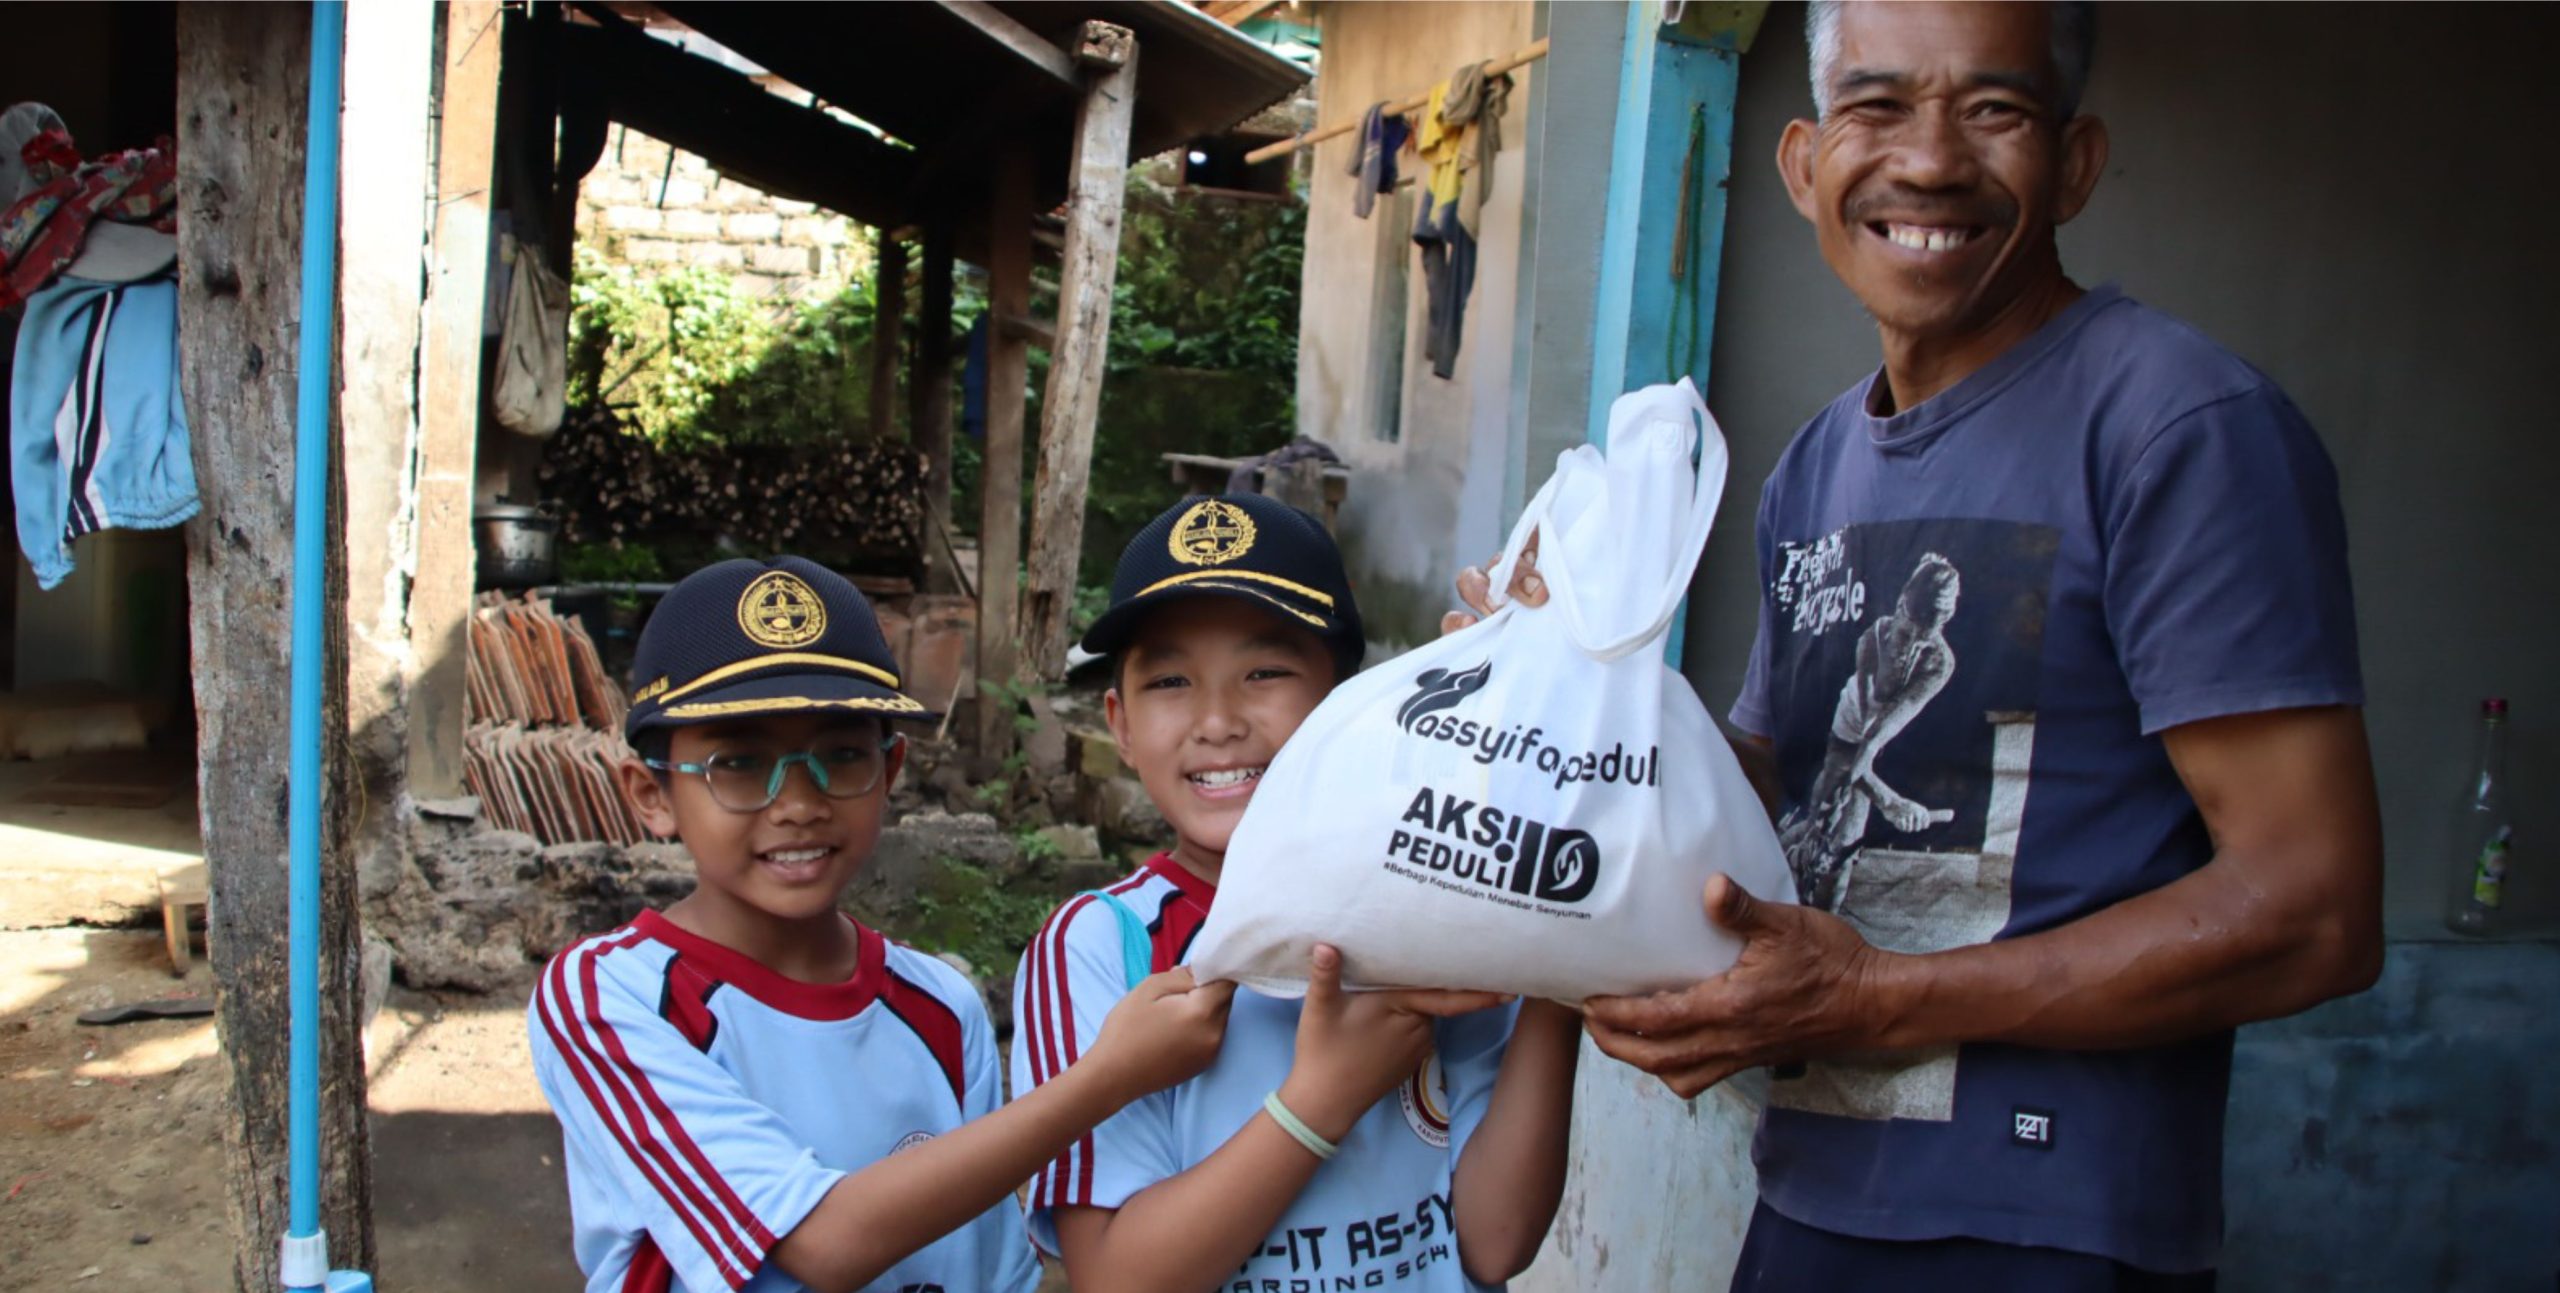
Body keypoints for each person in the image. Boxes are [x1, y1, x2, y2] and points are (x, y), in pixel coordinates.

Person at [1456, 2, 2382, 1287]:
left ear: (2076, 162)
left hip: (2046, 1224)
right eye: (1876, 107)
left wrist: (1881, 998)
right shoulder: (1818, 462)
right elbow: (1759, 792)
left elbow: (2313, 910)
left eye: (1993, 109)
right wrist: (1550, 681)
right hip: (1816, 1185)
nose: (1931, 160)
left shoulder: (2178, 427)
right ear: (1802, 163)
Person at [528, 556, 1236, 1293]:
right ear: (652, 793)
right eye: (738, 762)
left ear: (890, 769)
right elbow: (819, 1243)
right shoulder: (610, 997)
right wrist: (1106, 1078)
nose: (797, 801)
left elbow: (992, 1273)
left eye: (840, 754)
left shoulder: (939, 1004)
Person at [1013, 494, 1582, 1292]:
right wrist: (1320, 1101)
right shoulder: (1102, 947)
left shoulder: (1439, 915)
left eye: (1266, 672)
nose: (1217, 720)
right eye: (1171, 679)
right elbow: (1114, 1278)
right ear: (1121, 722)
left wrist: (1575, 952)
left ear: (1349, 701)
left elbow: (1495, 1240)